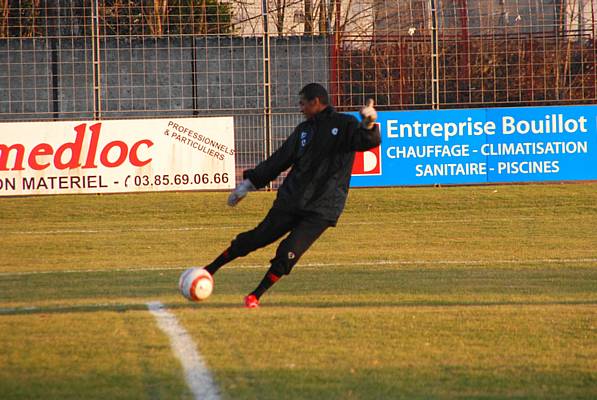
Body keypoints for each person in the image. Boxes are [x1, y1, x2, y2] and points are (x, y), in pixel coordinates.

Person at [203, 83, 381, 308]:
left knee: (289, 253)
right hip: (291, 200)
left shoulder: (345, 124)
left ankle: (254, 296)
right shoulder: (304, 131)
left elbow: (368, 142)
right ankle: (209, 269)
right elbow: (280, 159)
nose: (300, 108)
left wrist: (369, 125)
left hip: (322, 209)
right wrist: (248, 184)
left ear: (315, 102)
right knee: (255, 239)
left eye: (302, 103)